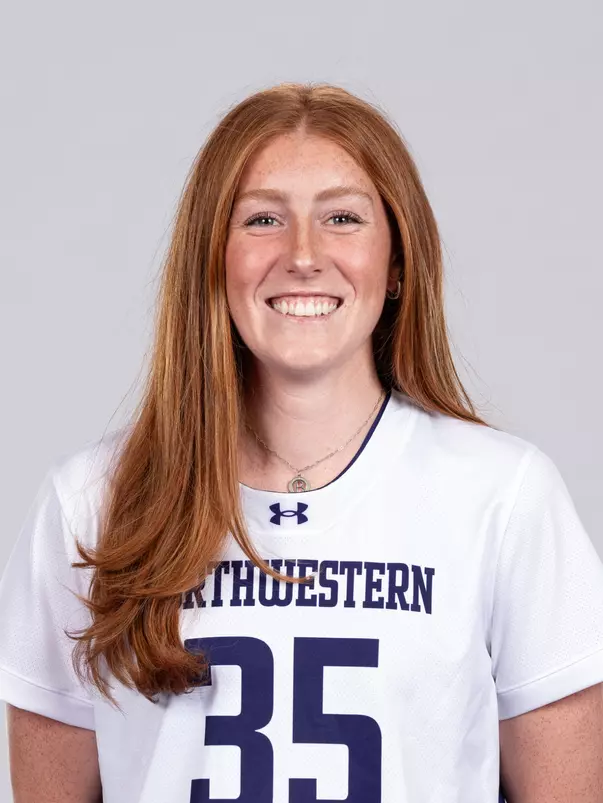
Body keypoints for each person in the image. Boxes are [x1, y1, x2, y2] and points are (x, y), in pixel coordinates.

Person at [1, 82, 602, 803]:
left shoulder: (502, 497)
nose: (303, 255)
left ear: (398, 265)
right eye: (262, 219)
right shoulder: (91, 503)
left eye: (342, 217)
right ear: (211, 259)